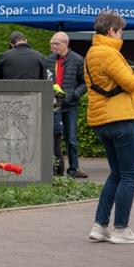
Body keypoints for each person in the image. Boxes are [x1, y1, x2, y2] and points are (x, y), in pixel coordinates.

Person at [85, 11, 134, 244]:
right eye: (120, 31)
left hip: (102, 120)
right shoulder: (110, 53)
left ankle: (100, 226)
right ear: (111, 31)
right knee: (129, 174)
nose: (122, 35)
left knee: (116, 174)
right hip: (120, 118)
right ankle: (121, 229)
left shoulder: (92, 52)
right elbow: (131, 83)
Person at [45, 32, 88, 178]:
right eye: (51, 44)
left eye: (56, 44)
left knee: (71, 139)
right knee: (53, 138)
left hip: (70, 105)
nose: (53, 47)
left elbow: (85, 83)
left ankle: (74, 169)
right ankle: (53, 169)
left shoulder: (77, 60)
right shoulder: (48, 60)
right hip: (53, 105)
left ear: (65, 44)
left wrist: (74, 95)